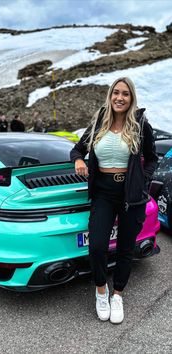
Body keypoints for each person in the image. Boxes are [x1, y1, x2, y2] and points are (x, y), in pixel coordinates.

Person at [70, 77, 158, 324]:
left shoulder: (141, 126)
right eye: (116, 93)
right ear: (110, 96)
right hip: (103, 193)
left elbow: (152, 158)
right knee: (97, 245)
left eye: (125, 94)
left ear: (132, 99)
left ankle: (117, 294)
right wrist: (78, 160)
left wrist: (143, 178)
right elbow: (78, 149)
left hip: (131, 195)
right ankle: (101, 290)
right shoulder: (99, 122)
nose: (120, 98)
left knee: (125, 248)